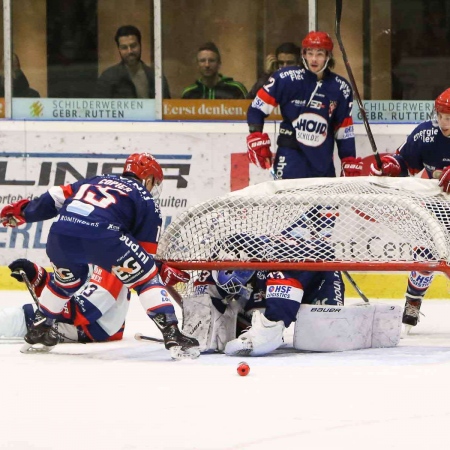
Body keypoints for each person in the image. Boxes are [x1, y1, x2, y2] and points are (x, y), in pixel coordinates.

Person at [0, 152, 199, 359]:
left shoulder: (95, 180)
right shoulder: (145, 199)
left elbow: (54, 196)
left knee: (65, 283)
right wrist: (157, 270)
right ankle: (172, 333)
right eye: (154, 182)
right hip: (104, 238)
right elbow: (145, 257)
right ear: (148, 179)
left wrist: (24, 213)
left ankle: (40, 327)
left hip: (60, 235)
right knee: (147, 280)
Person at [369, 87, 450, 331]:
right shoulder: (426, 133)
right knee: (424, 258)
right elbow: (404, 162)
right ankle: (413, 301)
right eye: (441, 116)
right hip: (434, 207)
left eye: (449, 117)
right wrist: (392, 166)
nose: (444, 122)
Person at [245, 31, 362, 179]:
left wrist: (348, 159)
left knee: (324, 203)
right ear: (303, 54)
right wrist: (255, 135)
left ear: (328, 56)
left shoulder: (340, 88)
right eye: (310, 53)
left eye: (319, 54)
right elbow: (256, 109)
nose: (314, 59)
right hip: (290, 157)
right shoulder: (285, 78)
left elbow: (343, 129)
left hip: (322, 161)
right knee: (288, 202)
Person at [183, 267, 345, 356]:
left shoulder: (278, 272)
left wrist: (267, 331)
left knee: (321, 340)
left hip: (318, 277)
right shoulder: (215, 265)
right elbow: (205, 293)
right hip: (263, 272)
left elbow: (268, 339)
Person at [1, 259, 130, 346]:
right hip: (89, 320)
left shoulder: (111, 261)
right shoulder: (97, 249)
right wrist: (37, 275)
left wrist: (50, 306)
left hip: (89, 326)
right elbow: (70, 284)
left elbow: (83, 309)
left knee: (11, 320)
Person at [94, 25, 171, 99]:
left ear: (140, 45)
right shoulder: (108, 78)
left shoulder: (156, 77)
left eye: (133, 46)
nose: (130, 51)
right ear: (119, 49)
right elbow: (99, 109)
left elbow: (166, 108)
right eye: (124, 48)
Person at [181, 42, 248, 99]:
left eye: (211, 61)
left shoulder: (236, 89)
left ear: (219, 63)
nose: (207, 65)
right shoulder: (189, 93)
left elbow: (251, 113)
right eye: (202, 61)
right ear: (197, 65)